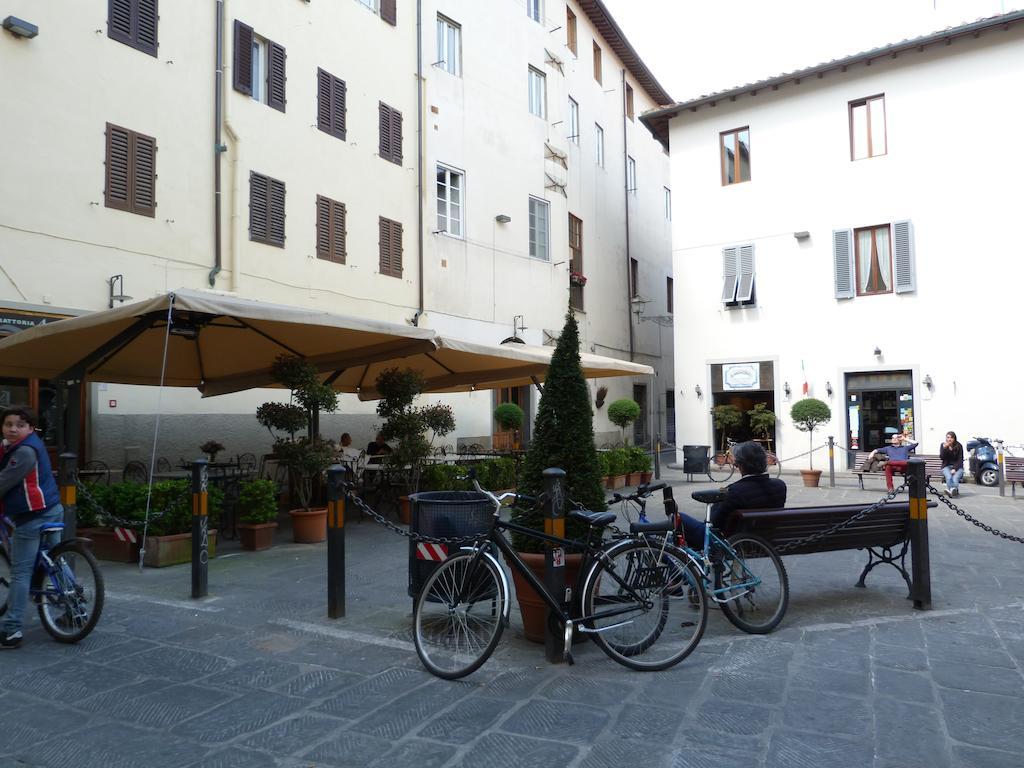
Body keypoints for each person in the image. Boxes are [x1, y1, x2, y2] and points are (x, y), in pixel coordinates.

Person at [0, 405, 64, 649]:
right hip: (52, 509)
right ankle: (72, 608)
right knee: (55, 563)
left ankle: (12, 629)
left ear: (30, 428)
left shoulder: (24, 452)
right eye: (8, 424)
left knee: (20, 572)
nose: (13, 429)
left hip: (32, 516)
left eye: (20, 425)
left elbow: (3, 482)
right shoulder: (18, 445)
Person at [679, 441, 787, 549]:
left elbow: (715, 523)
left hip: (728, 543)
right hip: (764, 541)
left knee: (678, 517)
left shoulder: (733, 491)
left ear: (739, 465)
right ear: (764, 462)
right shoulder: (780, 486)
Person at [940, 430, 964, 497]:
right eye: (947, 437)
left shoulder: (959, 446)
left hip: (958, 466)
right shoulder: (943, 445)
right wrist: (945, 449)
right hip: (946, 466)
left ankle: (951, 491)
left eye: (951, 438)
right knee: (949, 476)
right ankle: (953, 490)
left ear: (954, 438)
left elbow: (960, 459)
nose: (949, 439)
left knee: (955, 478)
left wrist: (955, 469)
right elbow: (942, 457)